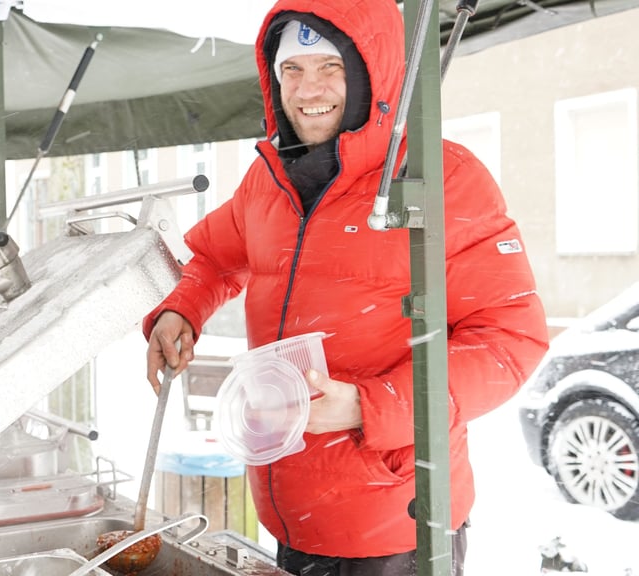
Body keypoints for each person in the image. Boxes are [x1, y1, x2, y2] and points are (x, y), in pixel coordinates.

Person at [142, 0, 550, 574]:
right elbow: (212, 258)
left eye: (329, 65)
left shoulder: (442, 178)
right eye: (292, 69)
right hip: (288, 511)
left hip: (397, 523)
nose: (309, 88)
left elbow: (510, 340)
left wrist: (367, 406)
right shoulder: (267, 180)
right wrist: (182, 312)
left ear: (369, 71)